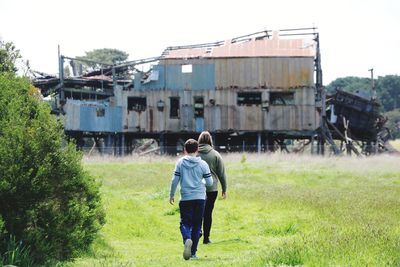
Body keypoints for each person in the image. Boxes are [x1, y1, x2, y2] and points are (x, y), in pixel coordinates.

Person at [169, 139, 213, 260]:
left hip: (186, 198)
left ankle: (187, 238)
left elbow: (174, 181)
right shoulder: (203, 164)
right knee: (197, 225)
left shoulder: (180, 163)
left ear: (185, 150)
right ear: (197, 150)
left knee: (185, 223)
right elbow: (210, 182)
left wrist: (171, 194)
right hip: (200, 198)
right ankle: (193, 253)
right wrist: (202, 182)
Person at [197, 131, 227, 244]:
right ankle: (206, 238)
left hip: (197, 188)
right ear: (210, 140)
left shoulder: (195, 154)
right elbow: (222, 174)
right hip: (212, 188)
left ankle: (197, 231)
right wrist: (224, 189)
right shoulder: (215, 155)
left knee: (197, 211)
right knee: (208, 213)